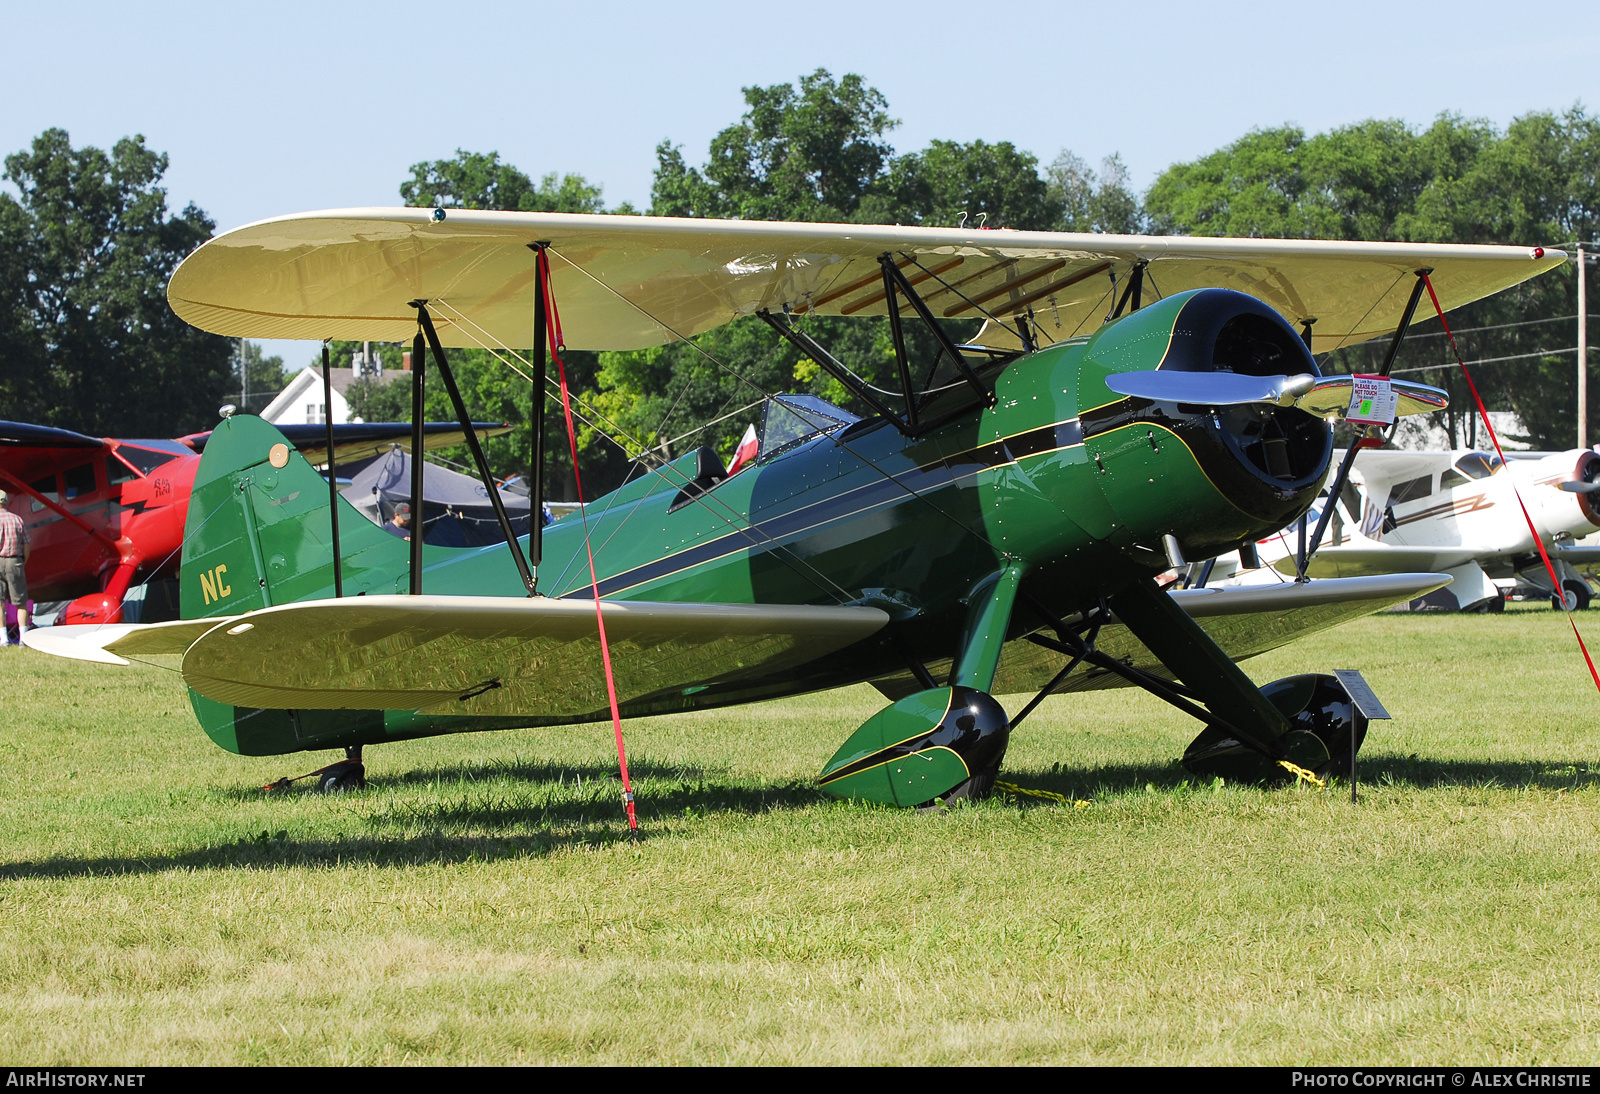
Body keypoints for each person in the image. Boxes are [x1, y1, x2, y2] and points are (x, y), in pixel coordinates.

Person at [0, 490, 31, 646]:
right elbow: (26, 545)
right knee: (21, 602)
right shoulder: (17, 519)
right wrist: (21, 562)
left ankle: (4, 639)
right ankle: (23, 639)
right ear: (5, 502)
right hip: (15, 561)